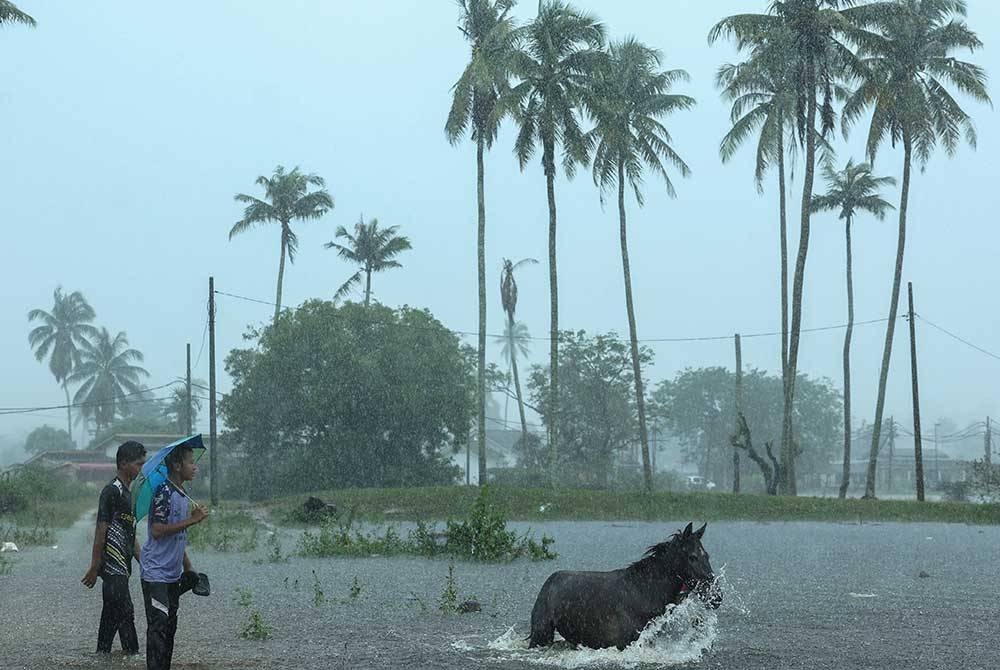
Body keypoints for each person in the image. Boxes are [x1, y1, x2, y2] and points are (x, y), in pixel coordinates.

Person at [139, 443, 209, 670]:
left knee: (170, 626)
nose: (194, 466)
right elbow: (158, 531)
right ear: (177, 466)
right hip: (155, 573)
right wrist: (193, 519)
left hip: (172, 573)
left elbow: (179, 538)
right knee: (158, 627)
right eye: (190, 462)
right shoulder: (164, 492)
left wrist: (189, 567)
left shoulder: (182, 494)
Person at [82, 440, 147, 656]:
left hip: (124, 569)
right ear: (123, 463)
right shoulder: (111, 492)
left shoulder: (130, 496)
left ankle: (101, 658)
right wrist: (94, 566)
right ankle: (134, 659)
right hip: (112, 569)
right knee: (126, 613)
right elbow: (101, 531)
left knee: (110, 618)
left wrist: (145, 563)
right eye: (138, 464)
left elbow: (131, 537)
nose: (140, 469)